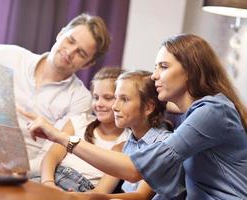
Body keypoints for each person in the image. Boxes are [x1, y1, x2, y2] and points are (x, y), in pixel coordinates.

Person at [26, 34, 247, 199]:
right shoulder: (198, 111)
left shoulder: (212, 112)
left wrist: (59, 136)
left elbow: (133, 170)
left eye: (163, 66)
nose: (155, 75)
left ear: (191, 69)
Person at [0, 13, 111, 174]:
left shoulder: (80, 99)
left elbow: (52, 154)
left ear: (88, 63)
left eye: (81, 53)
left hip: (14, 167)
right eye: (70, 40)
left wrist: (17, 171)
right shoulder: (7, 54)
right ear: (61, 34)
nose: (70, 52)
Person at [24, 70, 184, 199]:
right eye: (115, 98)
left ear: (148, 107)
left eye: (124, 99)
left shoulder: (162, 143)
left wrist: (82, 197)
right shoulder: (129, 142)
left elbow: (140, 196)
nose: (115, 106)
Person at [38, 67, 130, 192]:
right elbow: (51, 157)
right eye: (96, 97)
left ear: (124, 99)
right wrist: (48, 184)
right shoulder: (79, 121)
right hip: (49, 179)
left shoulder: (126, 142)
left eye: (108, 98)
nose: (99, 103)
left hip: (81, 192)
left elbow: (101, 192)